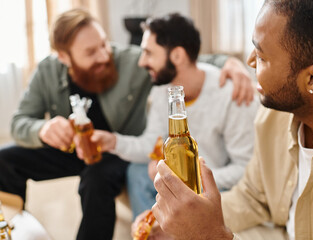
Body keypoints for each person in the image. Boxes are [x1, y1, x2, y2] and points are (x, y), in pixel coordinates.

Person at [0, 8, 255, 240]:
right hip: (73, 147)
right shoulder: (47, 71)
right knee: (4, 158)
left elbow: (186, 61)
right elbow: (19, 122)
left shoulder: (131, 61)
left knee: (98, 179)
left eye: (104, 44)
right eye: (91, 52)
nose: (104, 54)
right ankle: (10, 228)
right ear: (64, 57)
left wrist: (231, 63)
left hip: (112, 155)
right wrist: (42, 130)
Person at [151, 0, 313, 239]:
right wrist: (183, 218)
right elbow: (252, 196)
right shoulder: (272, 118)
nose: (249, 62)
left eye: (261, 57)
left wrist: (209, 234)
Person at [84, 13, 258, 224]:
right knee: (138, 172)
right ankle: (152, 233)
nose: (141, 62)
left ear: (177, 56)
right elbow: (151, 143)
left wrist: (186, 178)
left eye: (148, 53)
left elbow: (244, 169)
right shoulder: (162, 91)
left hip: (216, 183)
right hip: (181, 178)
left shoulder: (230, 94)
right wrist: (113, 142)